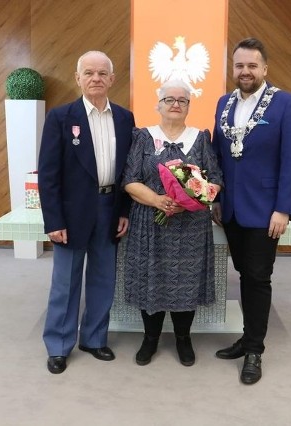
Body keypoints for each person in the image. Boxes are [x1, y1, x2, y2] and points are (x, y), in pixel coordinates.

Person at [211, 38, 291, 385]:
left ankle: (255, 351)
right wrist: (217, 198)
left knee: (258, 277)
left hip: (266, 211)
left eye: (252, 65)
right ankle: (247, 339)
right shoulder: (224, 102)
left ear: (264, 68)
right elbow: (218, 154)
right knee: (244, 274)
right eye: (239, 65)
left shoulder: (285, 103)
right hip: (232, 208)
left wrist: (283, 209)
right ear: (232, 69)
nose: (245, 71)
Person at [38, 51, 135, 374]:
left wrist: (124, 210)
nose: (96, 78)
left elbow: (127, 172)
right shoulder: (61, 117)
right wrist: (53, 220)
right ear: (78, 78)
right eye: (89, 73)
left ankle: (94, 338)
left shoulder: (125, 118)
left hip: (110, 207)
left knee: (103, 279)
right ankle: (58, 345)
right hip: (72, 211)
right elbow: (48, 174)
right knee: (65, 282)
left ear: (112, 79)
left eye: (102, 73)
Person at [121, 79, 223, 367]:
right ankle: (150, 339)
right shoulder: (143, 137)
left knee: (186, 282)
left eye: (182, 100)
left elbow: (215, 180)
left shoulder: (200, 138)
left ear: (189, 106)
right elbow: (129, 180)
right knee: (150, 280)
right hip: (150, 223)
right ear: (159, 104)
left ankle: (183, 339)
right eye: (170, 99)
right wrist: (157, 200)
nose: (176, 104)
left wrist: (192, 198)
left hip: (190, 225)